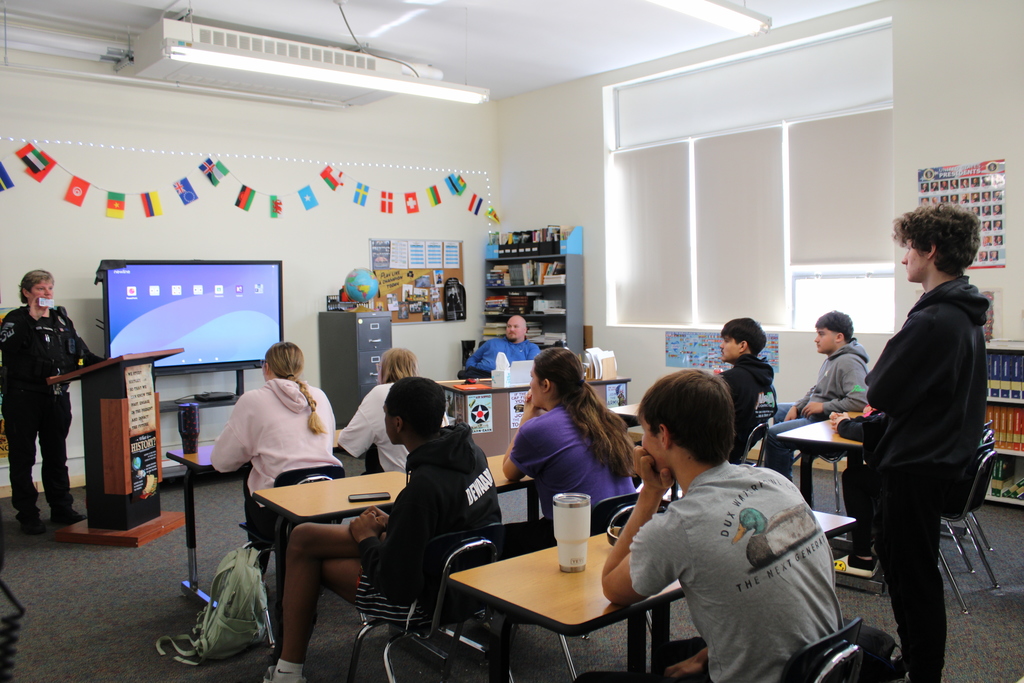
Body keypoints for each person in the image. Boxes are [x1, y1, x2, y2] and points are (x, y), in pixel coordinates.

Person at [576, 370, 842, 683]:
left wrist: (649, 493)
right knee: (668, 656)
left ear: (664, 435)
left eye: (645, 432)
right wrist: (706, 657)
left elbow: (612, 587)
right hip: (820, 667)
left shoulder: (679, 525)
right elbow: (773, 611)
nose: (641, 443)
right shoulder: (776, 481)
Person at [263, 377, 501, 683]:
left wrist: (367, 539)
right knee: (304, 536)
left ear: (398, 423)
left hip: (426, 602)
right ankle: (287, 668)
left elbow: (397, 585)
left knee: (314, 558)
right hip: (472, 584)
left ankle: (287, 671)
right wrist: (396, 524)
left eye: (385, 414)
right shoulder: (471, 455)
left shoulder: (424, 488)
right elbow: (452, 521)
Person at [867, 203, 987, 683]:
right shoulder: (966, 313)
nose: (904, 261)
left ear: (930, 250)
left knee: (910, 575)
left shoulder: (935, 319)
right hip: (936, 459)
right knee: (912, 571)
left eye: (909, 250)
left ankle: (922, 670)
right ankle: (919, 663)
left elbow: (880, 389)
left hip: (916, 463)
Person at [501, 347, 635, 556]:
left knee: (500, 538)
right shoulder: (604, 417)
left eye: (532, 378)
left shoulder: (537, 429)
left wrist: (526, 417)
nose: (530, 384)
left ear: (546, 385)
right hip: (619, 526)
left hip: (574, 534)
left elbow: (509, 472)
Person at [0, 270, 103, 535]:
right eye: (40, 289)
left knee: (56, 455)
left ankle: (61, 507)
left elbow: (82, 354)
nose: (46, 294)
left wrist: (113, 363)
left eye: (49, 289)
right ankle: (27, 514)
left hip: (57, 397)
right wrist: (33, 315)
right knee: (23, 457)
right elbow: (7, 348)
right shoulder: (16, 319)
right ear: (26, 292)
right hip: (23, 398)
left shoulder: (61, 319)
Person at [211, 342, 341, 545]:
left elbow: (222, 463)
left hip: (279, 515)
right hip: (328, 507)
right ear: (300, 367)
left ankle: (256, 568)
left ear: (267, 367)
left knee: (251, 477)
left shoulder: (253, 400)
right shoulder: (320, 396)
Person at [761, 311, 869, 480]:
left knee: (775, 436)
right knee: (778, 410)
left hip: (824, 422)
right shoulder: (832, 359)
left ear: (839, 337)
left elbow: (859, 400)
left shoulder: (849, 362)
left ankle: (780, 488)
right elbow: (816, 390)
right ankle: (783, 464)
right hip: (816, 414)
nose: (816, 339)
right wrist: (798, 405)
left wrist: (824, 406)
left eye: (821, 334)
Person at [337, 347, 424, 473]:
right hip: (433, 475)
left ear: (383, 370)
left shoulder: (380, 393)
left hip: (401, 477)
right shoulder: (428, 390)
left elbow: (347, 442)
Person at [718, 318, 776, 465]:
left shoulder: (729, 380)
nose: (721, 345)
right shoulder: (767, 381)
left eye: (726, 340)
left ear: (742, 345)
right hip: (741, 453)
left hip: (717, 454)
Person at [460, 315, 539, 379]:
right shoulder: (492, 342)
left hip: (509, 381)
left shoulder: (531, 348)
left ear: (525, 330)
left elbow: (531, 371)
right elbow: (473, 358)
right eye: (509, 326)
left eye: (516, 326)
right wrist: (471, 369)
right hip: (481, 376)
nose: (511, 329)